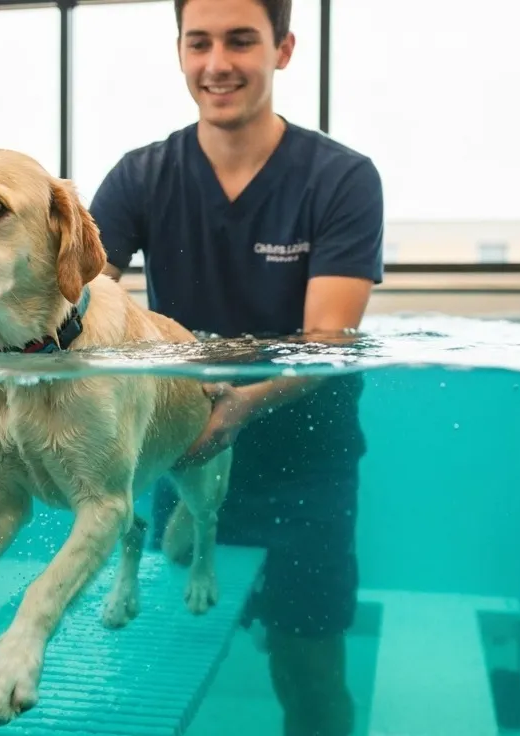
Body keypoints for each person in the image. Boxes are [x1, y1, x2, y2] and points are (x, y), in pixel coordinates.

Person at [88, 0, 384, 733]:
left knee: (307, 667)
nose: (218, 63)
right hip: (179, 447)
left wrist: (241, 405)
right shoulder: (139, 178)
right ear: (181, 52)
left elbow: (327, 340)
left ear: (283, 49)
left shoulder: (340, 180)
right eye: (200, 43)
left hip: (305, 466)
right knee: (167, 653)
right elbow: (84, 306)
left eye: (241, 41)